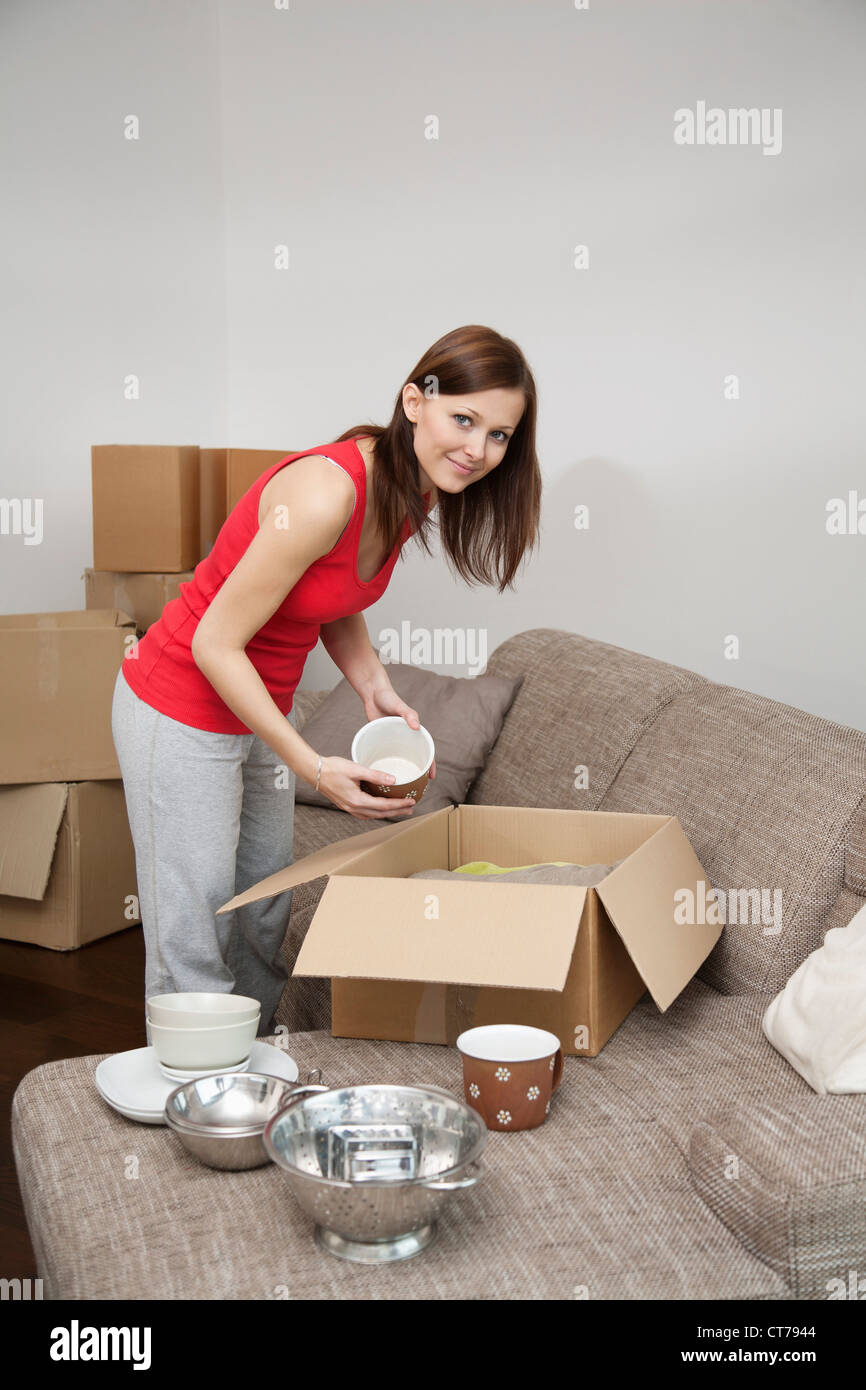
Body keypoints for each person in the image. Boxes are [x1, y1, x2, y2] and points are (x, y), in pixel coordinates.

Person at [110, 323, 541, 1033]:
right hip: (180, 706)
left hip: (255, 708)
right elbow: (217, 643)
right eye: (464, 419)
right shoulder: (323, 493)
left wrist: (374, 685)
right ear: (414, 401)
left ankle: (249, 1055)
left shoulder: (418, 487)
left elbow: (332, 596)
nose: (477, 449)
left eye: (499, 435)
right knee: (195, 922)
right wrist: (312, 766)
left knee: (261, 900)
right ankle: (194, 1092)